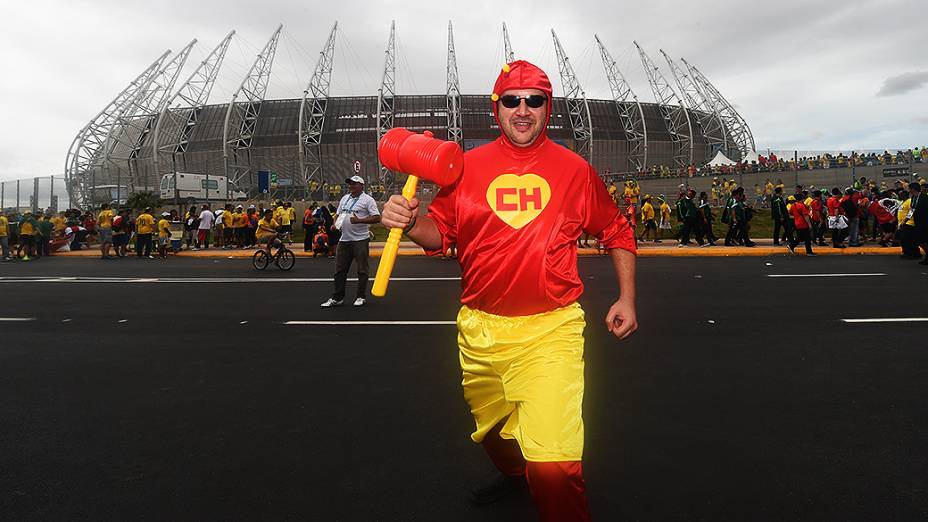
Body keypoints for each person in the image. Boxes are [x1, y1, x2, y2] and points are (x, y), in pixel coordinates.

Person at [380, 60, 637, 522]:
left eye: (534, 100)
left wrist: (626, 298)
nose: (523, 110)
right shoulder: (462, 169)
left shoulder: (575, 171)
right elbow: (440, 234)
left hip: (551, 331)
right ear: (495, 108)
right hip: (479, 330)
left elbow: (617, 230)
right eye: (512, 100)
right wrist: (410, 222)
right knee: (495, 433)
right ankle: (514, 476)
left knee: (554, 466)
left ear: (548, 108)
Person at [320, 175, 381, 308]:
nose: (351, 186)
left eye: (354, 184)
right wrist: (335, 224)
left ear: (361, 186)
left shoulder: (368, 200)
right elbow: (340, 213)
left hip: (360, 240)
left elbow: (377, 218)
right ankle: (337, 298)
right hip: (344, 239)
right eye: (350, 184)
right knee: (339, 270)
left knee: (362, 270)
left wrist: (359, 220)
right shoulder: (345, 198)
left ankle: (360, 296)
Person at [787, 191, 815, 256]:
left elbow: (790, 213)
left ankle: (792, 245)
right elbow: (806, 216)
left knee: (800, 237)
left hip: (797, 223)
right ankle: (809, 252)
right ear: (802, 199)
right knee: (807, 238)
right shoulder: (802, 206)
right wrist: (809, 225)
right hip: (803, 223)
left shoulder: (793, 205)